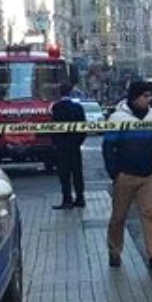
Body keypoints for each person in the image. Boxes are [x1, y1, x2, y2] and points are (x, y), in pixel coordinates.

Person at [102, 80, 152, 270]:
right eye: (145, 96)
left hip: (147, 176)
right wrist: (115, 173)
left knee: (150, 213)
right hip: (125, 175)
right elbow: (108, 147)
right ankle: (114, 251)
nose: (148, 99)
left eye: (149, 96)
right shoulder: (117, 118)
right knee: (119, 216)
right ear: (135, 97)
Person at [50, 82, 87, 210]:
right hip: (75, 146)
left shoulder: (56, 107)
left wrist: (55, 143)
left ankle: (67, 200)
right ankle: (80, 198)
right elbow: (83, 128)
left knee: (64, 174)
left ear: (60, 93)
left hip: (61, 147)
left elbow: (53, 128)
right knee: (77, 173)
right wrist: (78, 142)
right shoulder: (78, 108)